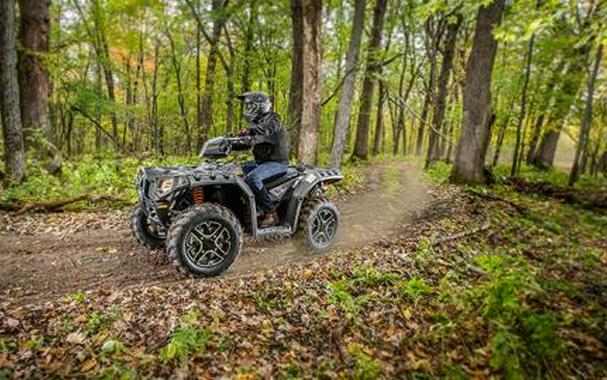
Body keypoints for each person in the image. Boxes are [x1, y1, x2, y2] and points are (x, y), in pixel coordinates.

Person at [237, 91, 290, 227]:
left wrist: (250, 130)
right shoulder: (257, 124)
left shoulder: (272, 119)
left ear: (259, 106)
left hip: (277, 163)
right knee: (235, 170)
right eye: (247, 106)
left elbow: (268, 129)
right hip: (263, 163)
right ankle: (247, 209)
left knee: (253, 178)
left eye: (250, 106)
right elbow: (249, 140)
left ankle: (271, 213)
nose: (248, 109)